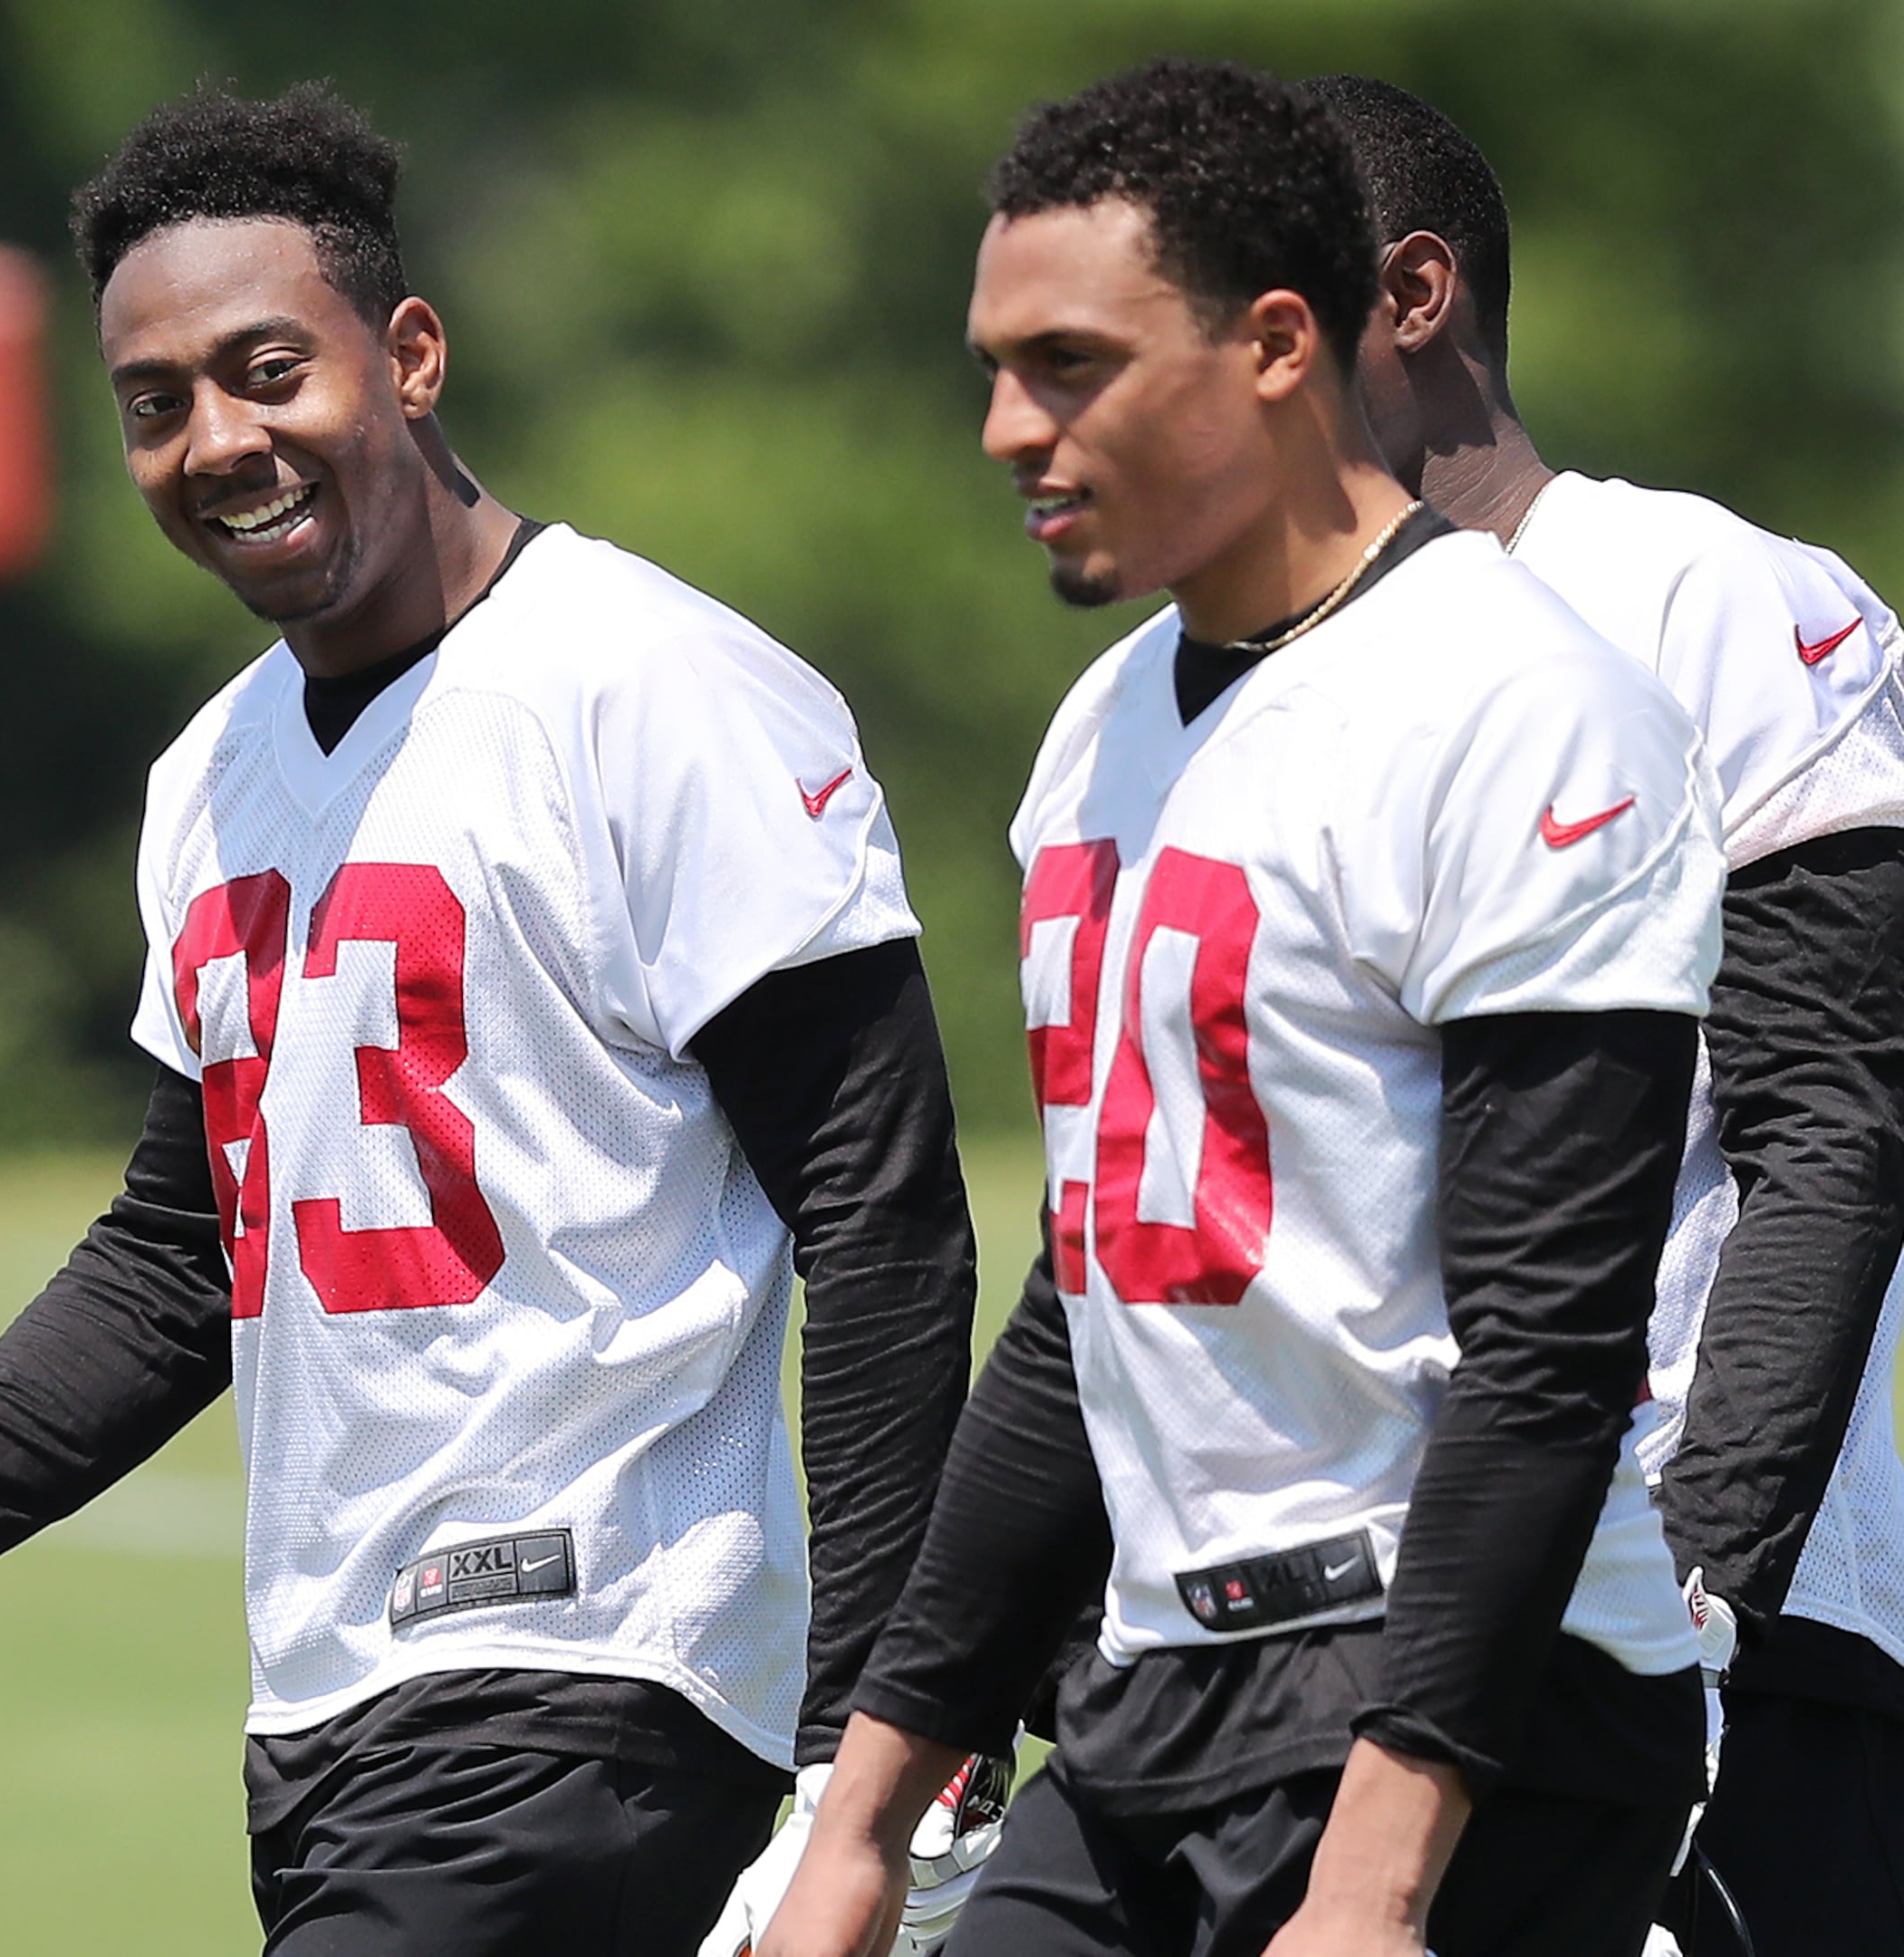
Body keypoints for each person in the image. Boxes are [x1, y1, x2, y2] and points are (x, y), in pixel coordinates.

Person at [0, 83, 990, 1956]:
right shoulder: (210, 778)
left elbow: (885, 1217)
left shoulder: (651, 686)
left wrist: (882, 1754)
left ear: (412, 354)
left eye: (268, 368)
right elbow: (180, 1255)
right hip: (331, 1723)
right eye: (156, 401)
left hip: (604, 1678)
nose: (220, 439)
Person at [760, 59, 1726, 1957]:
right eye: (993, 367)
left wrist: (1373, 1887)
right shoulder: (1101, 732)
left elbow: (1548, 1345)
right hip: (1161, 1692)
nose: (1001, 428)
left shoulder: (1523, 706)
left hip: (1482, 1717)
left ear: (1280, 343)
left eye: (1068, 366)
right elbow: (1093, 1296)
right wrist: (856, 1828)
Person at [1314, 73, 1904, 1955]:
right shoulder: (1229, 697)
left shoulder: (1705, 600)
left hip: (1705, 1633)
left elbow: (1835, 1134)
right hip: (1354, 1640)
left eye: (1243, 313)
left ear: (1414, 299)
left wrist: (1699, 1599)